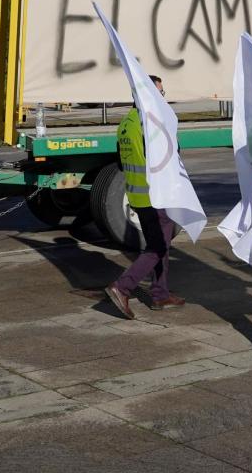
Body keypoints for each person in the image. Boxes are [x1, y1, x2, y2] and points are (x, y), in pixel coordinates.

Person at [103, 75, 184, 319]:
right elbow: (169, 158)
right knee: (159, 246)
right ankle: (122, 287)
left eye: (163, 92)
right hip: (156, 195)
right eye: (159, 93)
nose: (162, 96)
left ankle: (160, 294)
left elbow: (121, 160)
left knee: (158, 244)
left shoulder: (126, 123)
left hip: (138, 196)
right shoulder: (153, 124)